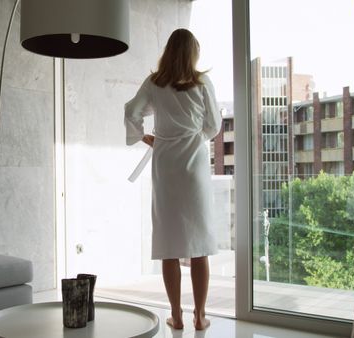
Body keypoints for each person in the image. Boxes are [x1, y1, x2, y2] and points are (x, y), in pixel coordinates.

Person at [124, 28, 222, 331]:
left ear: (168, 51)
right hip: (193, 167)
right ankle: (200, 315)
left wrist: (147, 138)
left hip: (165, 166)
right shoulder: (202, 82)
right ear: (193, 53)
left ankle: (177, 315)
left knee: (169, 244)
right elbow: (214, 125)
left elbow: (132, 110)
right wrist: (193, 138)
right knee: (198, 244)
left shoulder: (155, 83)